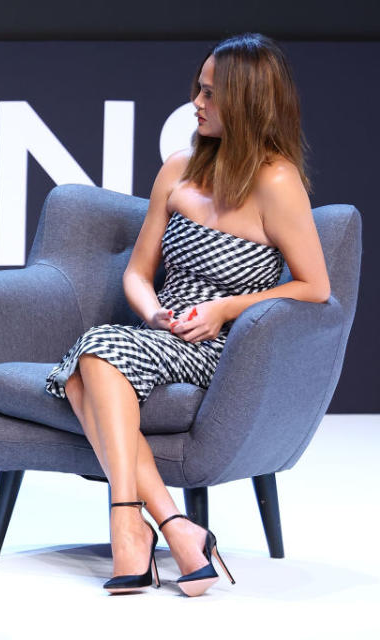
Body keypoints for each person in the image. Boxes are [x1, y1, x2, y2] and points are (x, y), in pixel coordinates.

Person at [45, 33, 330, 597]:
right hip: (163, 335)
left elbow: (315, 286)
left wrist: (225, 309)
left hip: (222, 347)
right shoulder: (178, 169)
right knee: (90, 365)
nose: (197, 103)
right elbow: (136, 273)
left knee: (91, 358)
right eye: (197, 89)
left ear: (247, 103)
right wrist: (152, 314)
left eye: (210, 94)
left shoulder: (277, 182)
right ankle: (176, 529)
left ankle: (134, 525)